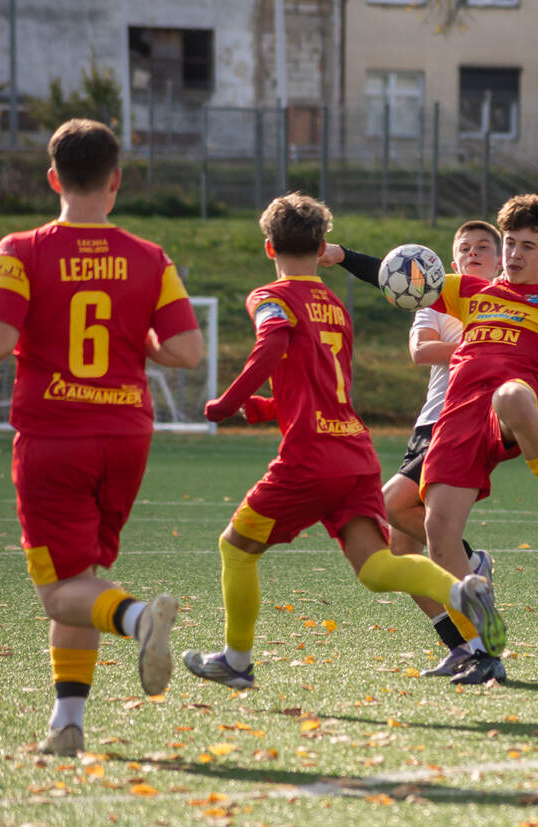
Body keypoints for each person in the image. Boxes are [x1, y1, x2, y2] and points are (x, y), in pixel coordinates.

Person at [181, 192, 505, 690]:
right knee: (377, 567)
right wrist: (267, 408)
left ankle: (237, 661)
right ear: (321, 247)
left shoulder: (270, 296)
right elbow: (326, 389)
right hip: (354, 452)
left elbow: (271, 341)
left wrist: (228, 402)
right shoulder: (335, 306)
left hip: (310, 458)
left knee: (236, 548)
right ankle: (461, 591)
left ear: (269, 247)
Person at [339, 194, 538, 683]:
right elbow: (397, 276)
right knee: (439, 537)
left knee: (511, 394)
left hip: (505, 415)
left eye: (526, 246)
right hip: (454, 425)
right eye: (510, 243)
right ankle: (482, 652)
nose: (514, 254)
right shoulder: (471, 292)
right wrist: (341, 256)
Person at [0, 118, 204, 756]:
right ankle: (67, 724)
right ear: (115, 182)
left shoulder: (21, 249)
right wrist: (140, 341)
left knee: (59, 593)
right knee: (81, 578)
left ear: (53, 179)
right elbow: (186, 351)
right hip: (126, 435)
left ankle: (137, 618)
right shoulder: (150, 257)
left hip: (54, 437)